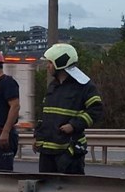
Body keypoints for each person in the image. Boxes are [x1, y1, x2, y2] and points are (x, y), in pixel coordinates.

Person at [34, 43, 103, 174]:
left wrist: (73, 125)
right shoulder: (53, 86)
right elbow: (45, 115)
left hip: (69, 152)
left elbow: (96, 110)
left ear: (60, 63)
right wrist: (38, 138)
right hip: (47, 151)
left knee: (69, 191)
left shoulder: (84, 86)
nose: (47, 66)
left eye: (50, 62)